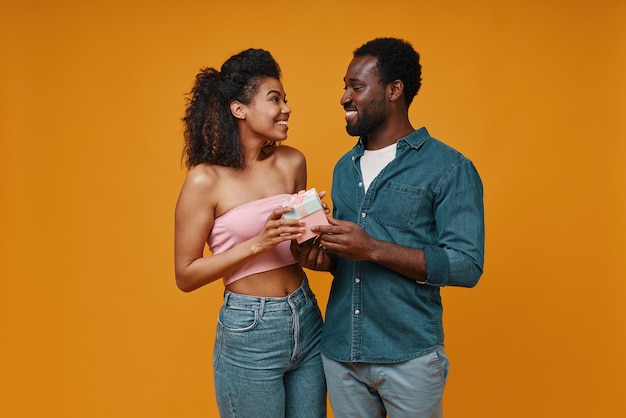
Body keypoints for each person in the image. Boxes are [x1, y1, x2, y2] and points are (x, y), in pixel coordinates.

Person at [292, 38, 485, 417]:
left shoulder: (450, 168)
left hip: (409, 357)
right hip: (341, 354)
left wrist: (372, 248)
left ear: (394, 90)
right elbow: (349, 260)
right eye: (344, 87)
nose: (345, 97)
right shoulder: (342, 168)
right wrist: (325, 260)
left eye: (357, 87)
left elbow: (466, 265)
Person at [174, 48, 326, 418]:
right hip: (250, 327)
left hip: (306, 316)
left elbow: (299, 250)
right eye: (275, 99)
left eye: (286, 99)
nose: (286, 108)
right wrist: (258, 243)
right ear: (239, 109)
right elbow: (185, 274)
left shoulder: (293, 161)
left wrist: (317, 230)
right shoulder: (204, 181)